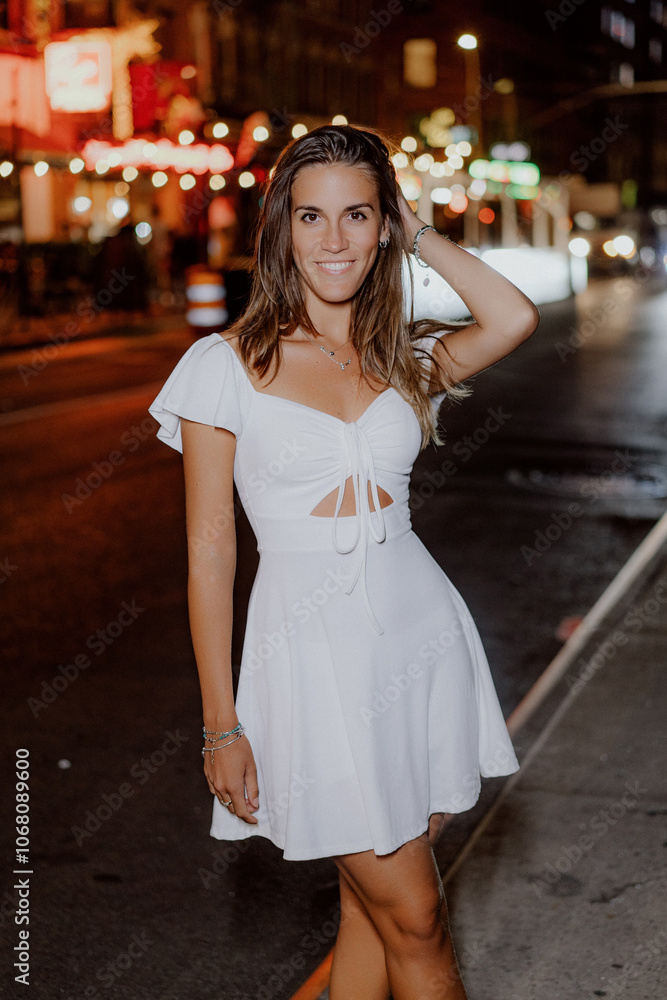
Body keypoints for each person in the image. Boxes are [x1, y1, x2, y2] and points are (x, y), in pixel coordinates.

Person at [148, 124, 540, 1000]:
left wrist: (418, 225)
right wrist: (222, 723)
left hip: (420, 638)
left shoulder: (399, 358)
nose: (334, 241)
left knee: (368, 909)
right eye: (312, 217)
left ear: (382, 226)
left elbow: (513, 317)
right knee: (418, 918)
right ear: (281, 229)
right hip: (312, 656)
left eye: (357, 216)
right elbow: (210, 556)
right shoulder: (226, 366)